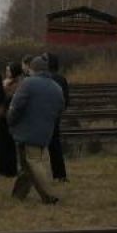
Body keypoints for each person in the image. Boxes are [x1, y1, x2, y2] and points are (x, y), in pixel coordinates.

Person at [7, 56, 66, 204]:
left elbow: (16, 106)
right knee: (27, 166)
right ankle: (18, 195)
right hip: (45, 131)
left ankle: (49, 196)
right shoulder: (56, 87)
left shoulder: (28, 83)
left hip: (27, 131)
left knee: (33, 162)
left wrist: (10, 120)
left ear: (33, 69)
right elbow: (60, 108)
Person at [0, 62, 24, 178]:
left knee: (7, 144)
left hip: (8, 116)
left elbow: (8, 98)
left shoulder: (16, 85)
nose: (6, 72)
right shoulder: (8, 83)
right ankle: (5, 169)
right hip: (4, 116)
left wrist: (3, 88)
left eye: (8, 70)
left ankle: (7, 170)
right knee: (3, 144)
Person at [45, 53, 71, 182]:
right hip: (55, 116)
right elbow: (66, 101)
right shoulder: (61, 79)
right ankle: (60, 174)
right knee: (55, 146)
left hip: (43, 116)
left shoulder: (43, 78)